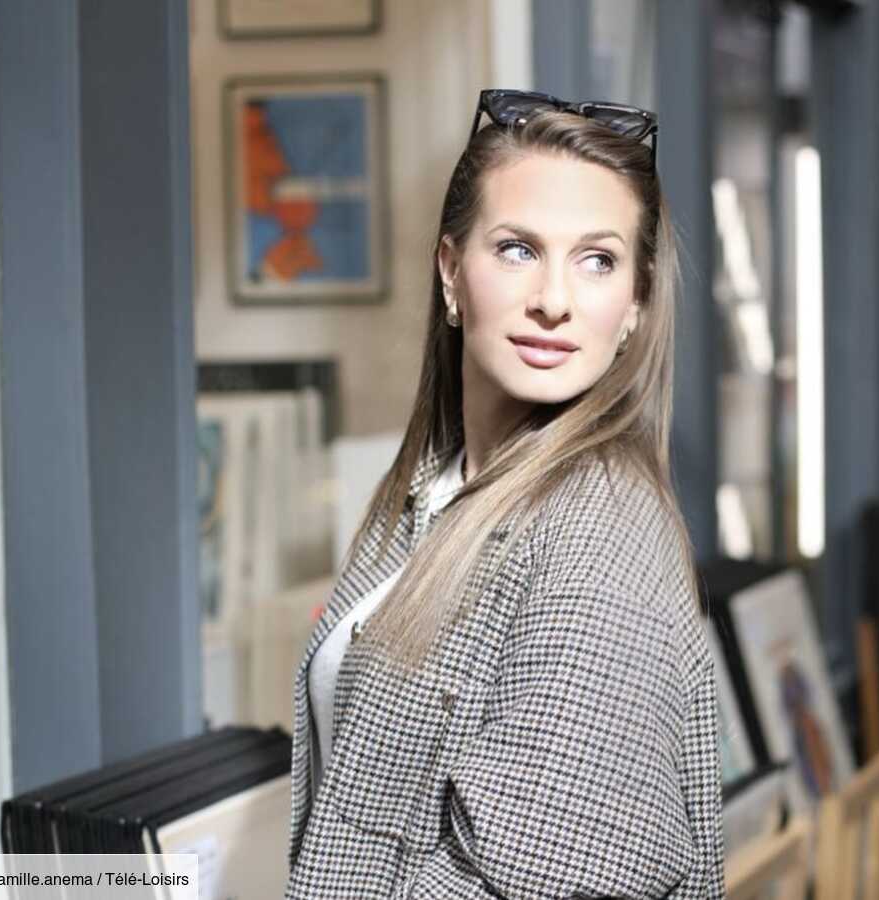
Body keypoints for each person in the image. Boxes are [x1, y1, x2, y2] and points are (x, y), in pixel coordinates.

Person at [284, 89, 725, 898]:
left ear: (634, 305)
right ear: (452, 272)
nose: (554, 300)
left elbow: (563, 876)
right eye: (518, 249)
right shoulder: (427, 489)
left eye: (598, 260)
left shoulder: (598, 526)